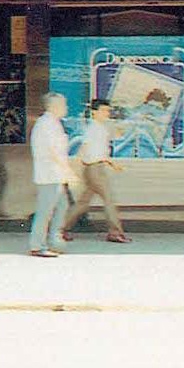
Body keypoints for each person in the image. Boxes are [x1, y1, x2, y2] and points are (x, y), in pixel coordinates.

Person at [63, 99, 132, 244]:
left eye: (108, 110)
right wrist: (77, 167)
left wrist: (111, 164)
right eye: (104, 110)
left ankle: (59, 229)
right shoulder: (93, 129)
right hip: (95, 169)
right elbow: (85, 148)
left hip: (94, 168)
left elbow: (101, 150)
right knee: (108, 200)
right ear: (94, 112)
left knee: (82, 202)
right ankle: (115, 232)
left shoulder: (100, 127)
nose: (107, 113)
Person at [28, 92, 78, 258]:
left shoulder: (53, 123)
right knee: (46, 211)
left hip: (56, 175)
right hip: (50, 174)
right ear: (54, 106)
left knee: (62, 206)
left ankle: (53, 240)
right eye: (63, 105)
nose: (66, 108)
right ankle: (37, 245)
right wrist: (68, 171)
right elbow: (53, 151)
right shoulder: (46, 124)